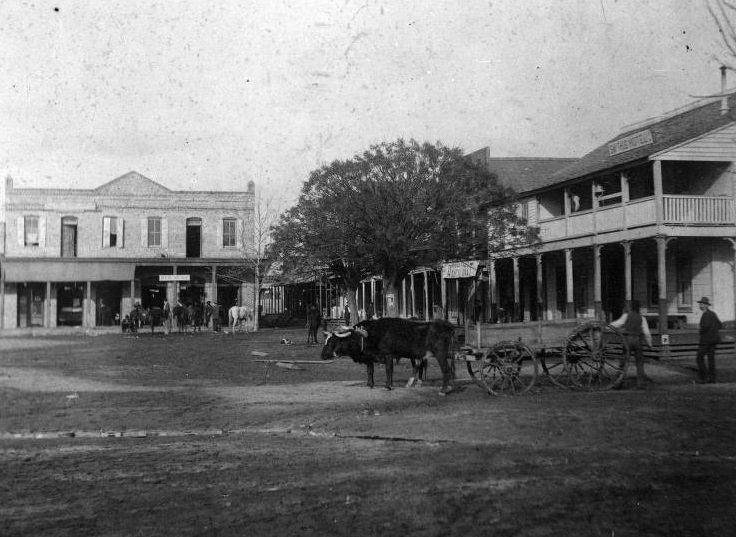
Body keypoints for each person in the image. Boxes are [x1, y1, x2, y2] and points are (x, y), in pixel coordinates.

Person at [610, 300, 652, 389]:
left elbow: (617, 324)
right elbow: (646, 332)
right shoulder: (642, 318)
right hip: (637, 340)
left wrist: (607, 326)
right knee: (639, 362)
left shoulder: (626, 316)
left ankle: (619, 382)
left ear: (631, 307)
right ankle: (640, 384)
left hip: (627, 340)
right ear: (638, 308)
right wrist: (649, 344)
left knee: (624, 361)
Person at [696, 297, 722, 384]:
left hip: (706, 340)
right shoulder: (713, 314)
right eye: (700, 304)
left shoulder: (705, 314)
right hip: (714, 340)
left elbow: (705, 327)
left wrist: (700, 329)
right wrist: (714, 331)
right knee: (711, 358)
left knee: (699, 358)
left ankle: (704, 377)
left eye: (702, 304)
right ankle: (712, 378)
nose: (700, 306)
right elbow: (719, 324)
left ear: (706, 305)